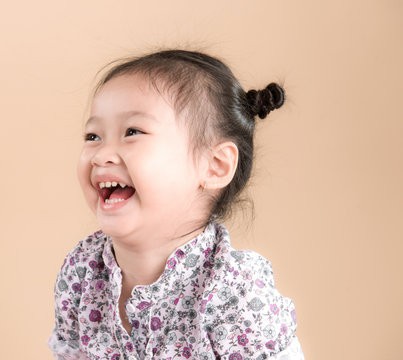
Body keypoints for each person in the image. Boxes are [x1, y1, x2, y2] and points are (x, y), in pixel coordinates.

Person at [48, 49, 305, 360]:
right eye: (93, 136)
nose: (101, 155)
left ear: (215, 166)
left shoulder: (234, 293)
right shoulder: (82, 272)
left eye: (132, 132)